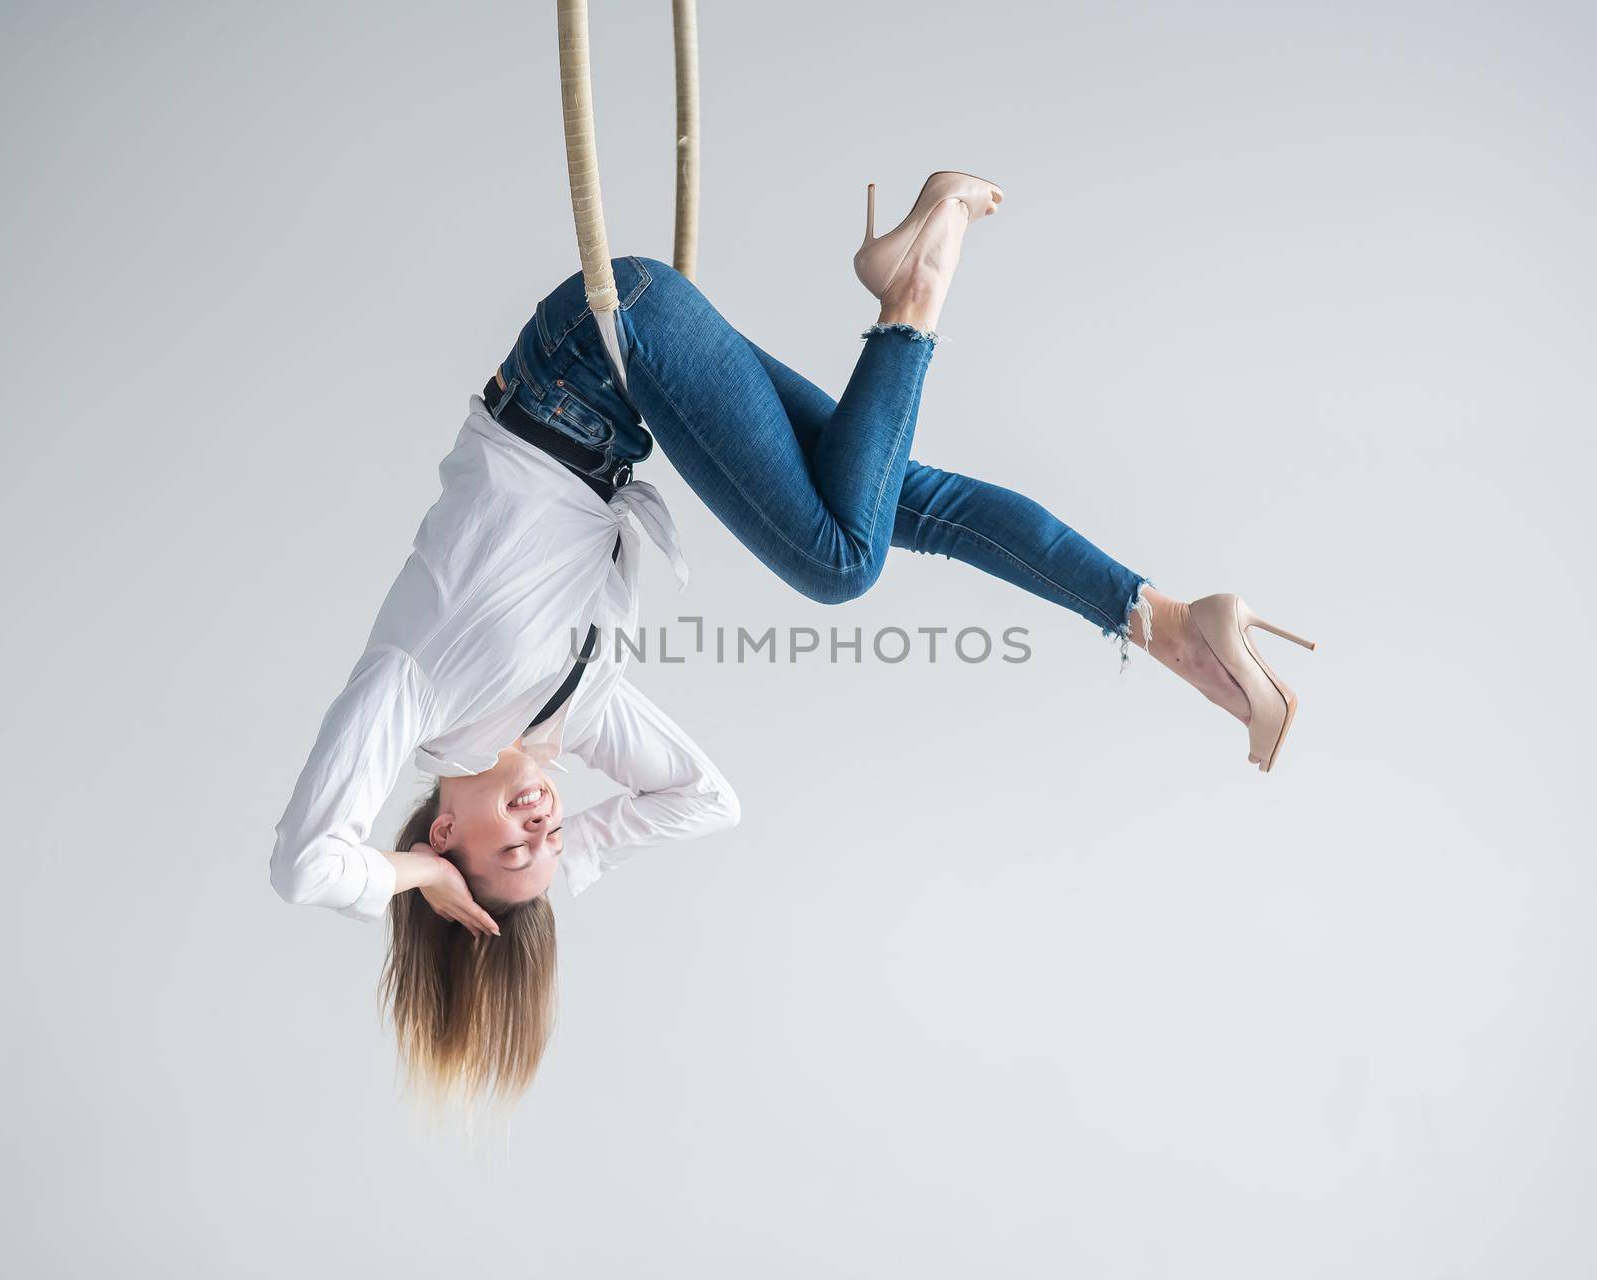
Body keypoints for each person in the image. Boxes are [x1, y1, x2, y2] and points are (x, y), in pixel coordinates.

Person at [270, 169, 1313, 1107]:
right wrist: (554, 869)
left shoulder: (417, 690)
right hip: (637, 381)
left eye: (510, 843)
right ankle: (1169, 619)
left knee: (838, 559)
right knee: (918, 507)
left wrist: (413, 884)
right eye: (545, 840)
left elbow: (305, 865)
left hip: (591, 354)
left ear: (441, 838)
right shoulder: (568, 719)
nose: (544, 823)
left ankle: (911, 291)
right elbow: (704, 800)